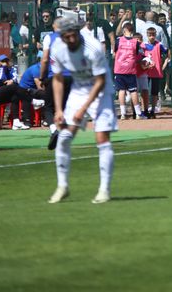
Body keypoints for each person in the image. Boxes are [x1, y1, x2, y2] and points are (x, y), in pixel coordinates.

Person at [48, 15, 117, 204]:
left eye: (72, 36)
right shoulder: (57, 48)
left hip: (101, 90)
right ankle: (62, 186)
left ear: (78, 32)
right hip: (78, 90)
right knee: (63, 137)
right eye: (66, 37)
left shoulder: (93, 47)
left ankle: (104, 190)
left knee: (102, 139)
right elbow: (58, 78)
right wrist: (59, 110)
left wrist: (83, 110)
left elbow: (100, 81)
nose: (70, 40)